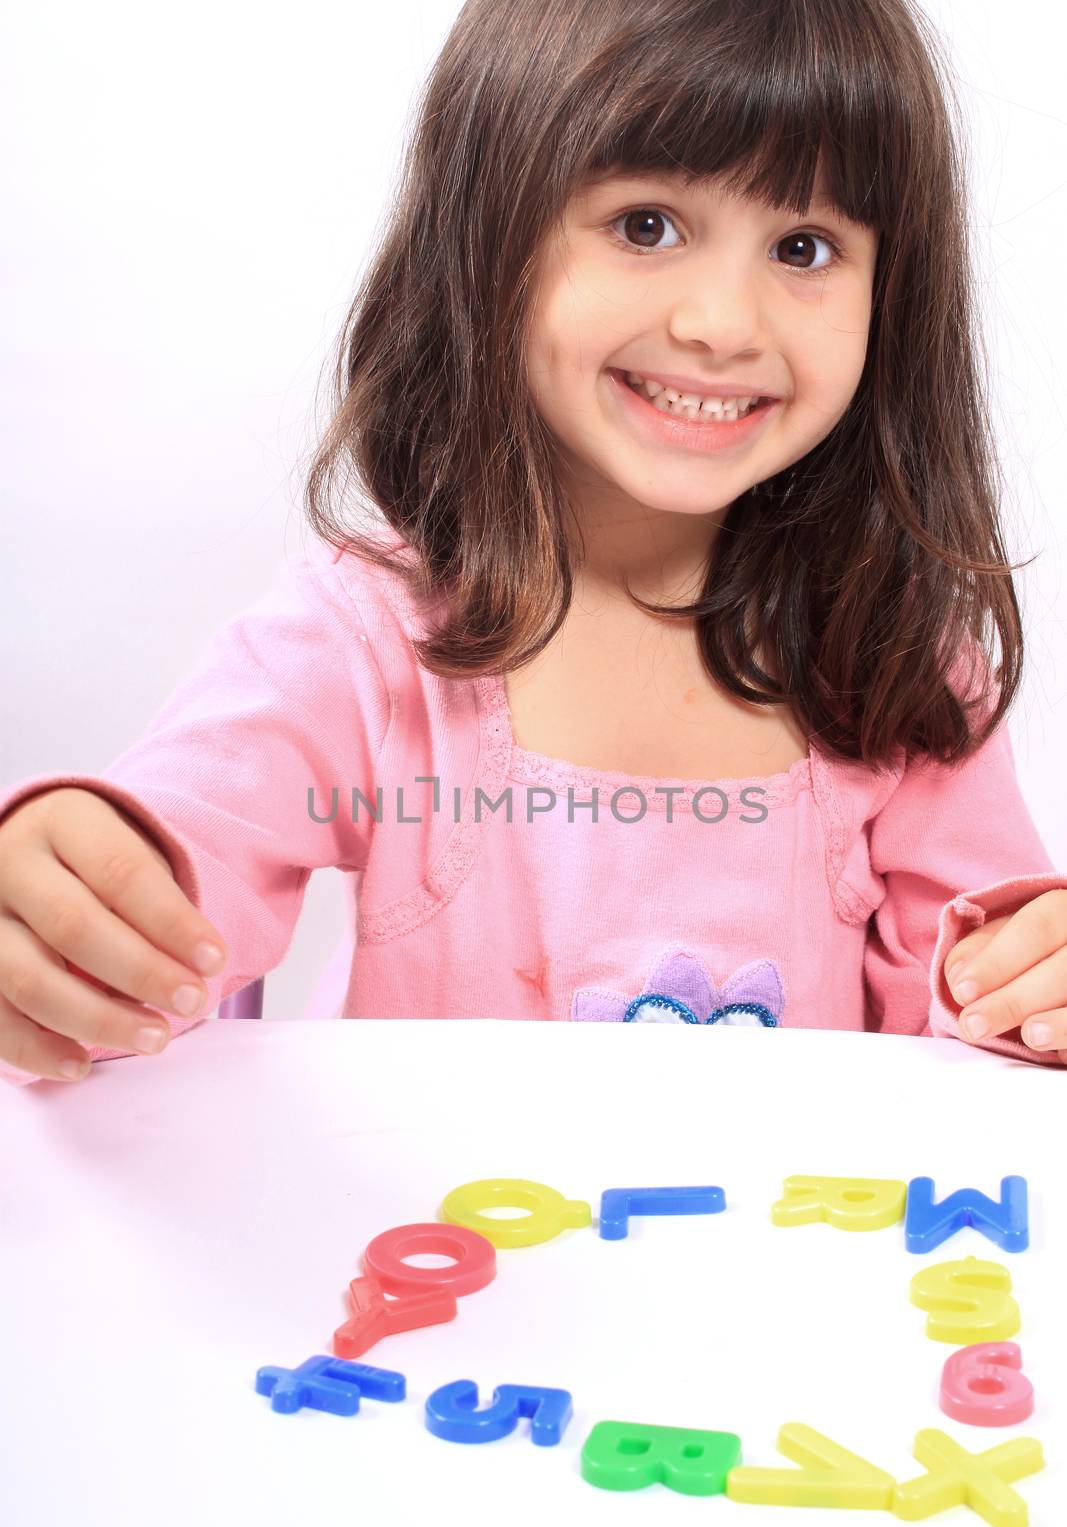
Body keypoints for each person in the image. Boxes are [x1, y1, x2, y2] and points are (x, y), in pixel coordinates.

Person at [1, 0, 1065, 1089]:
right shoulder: (366, 637)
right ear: (486, 235)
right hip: (432, 1249)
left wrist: (1031, 988)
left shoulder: (893, 661)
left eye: (803, 247)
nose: (721, 321)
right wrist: (74, 885)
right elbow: (177, 860)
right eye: (645, 224)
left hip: (769, 1256)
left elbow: (979, 1029)